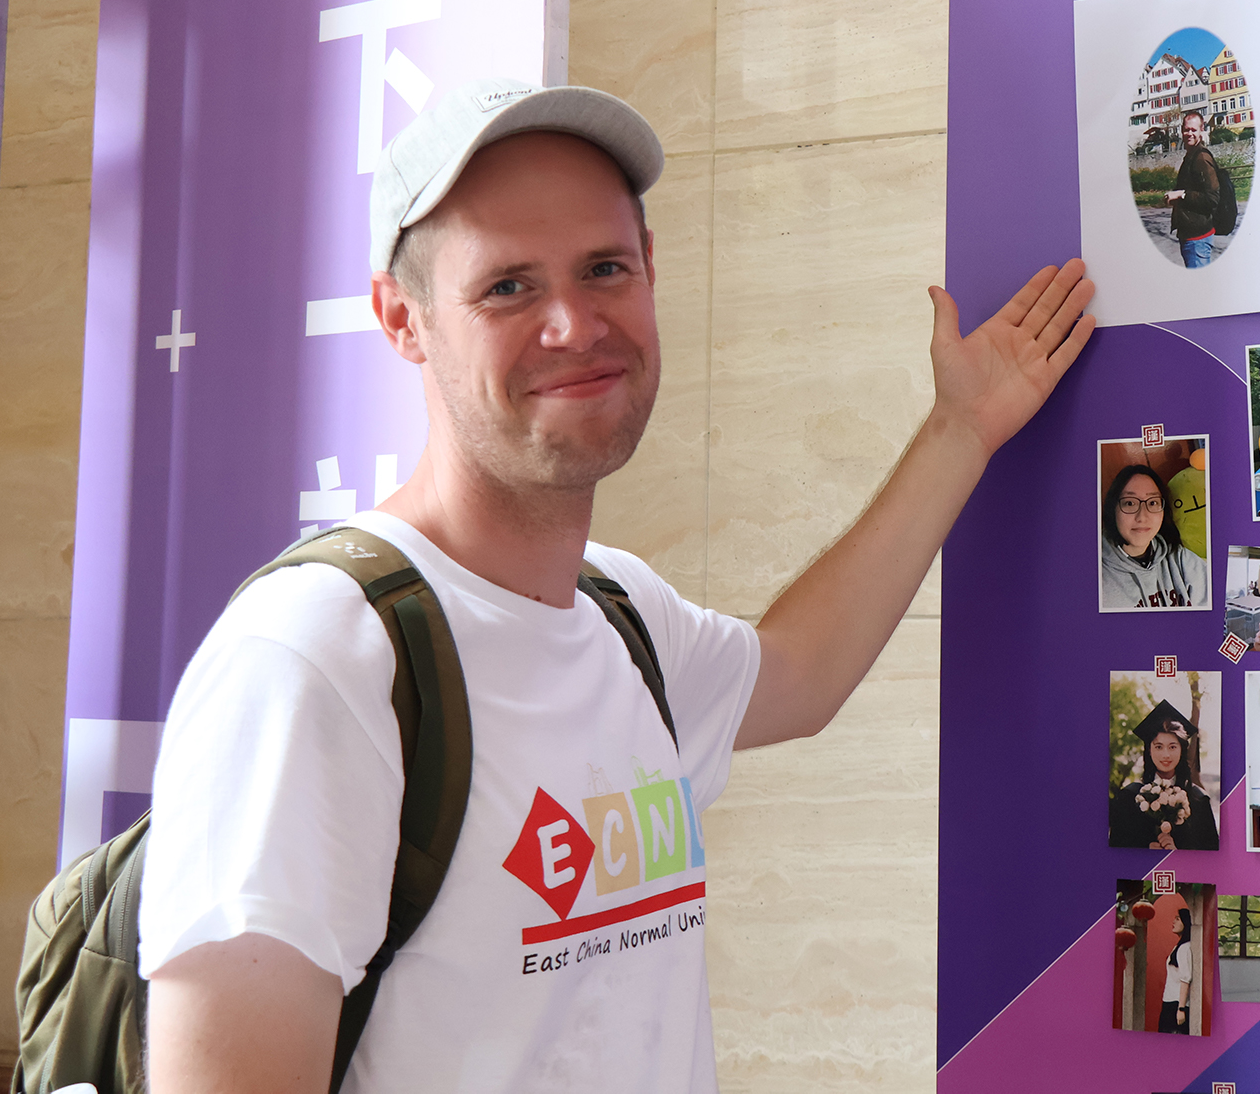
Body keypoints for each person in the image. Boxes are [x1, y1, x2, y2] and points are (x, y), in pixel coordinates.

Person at [138, 80, 1097, 1092]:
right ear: (402, 319)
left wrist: (960, 429)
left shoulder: (618, 612)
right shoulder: (315, 662)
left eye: (604, 268)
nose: (573, 323)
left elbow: (801, 673)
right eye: (508, 286)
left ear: (649, 269)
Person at [1110, 700, 1220, 851]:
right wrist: (1145, 850)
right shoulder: (1129, 796)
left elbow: (1211, 855)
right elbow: (1114, 851)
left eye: (1172, 747)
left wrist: (1178, 854)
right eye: (1158, 747)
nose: (1166, 755)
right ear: (1149, 750)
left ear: (1182, 750)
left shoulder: (1198, 800)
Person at [1100, 463, 1208, 609]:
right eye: (1130, 503)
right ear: (1113, 509)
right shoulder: (1097, 575)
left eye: (1152, 502)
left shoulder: (1180, 559)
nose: (1142, 517)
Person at [1161, 111, 1224, 269]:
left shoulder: (1201, 158)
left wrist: (1182, 195)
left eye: (1193, 130)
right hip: (1190, 236)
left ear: (1201, 130)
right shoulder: (1191, 155)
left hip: (1198, 239)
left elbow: (1212, 198)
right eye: (1186, 129)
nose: (1189, 133)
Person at [1159, 908, 1195, 1034]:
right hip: (1170, 1001)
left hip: (1176, 1004)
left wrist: (1181, 1009)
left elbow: (1185, 979)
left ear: (1186, 923)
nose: (1173, 922)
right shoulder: (1179, 947)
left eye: (1178, 919)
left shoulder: (1185, 948)